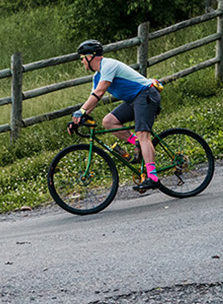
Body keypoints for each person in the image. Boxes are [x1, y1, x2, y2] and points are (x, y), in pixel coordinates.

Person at [67, 39, 164, 193]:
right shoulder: (97, 77)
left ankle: (152, 177)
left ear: (91, 57)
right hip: (133, 99)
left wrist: (81, 111)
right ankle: (136, 142)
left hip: (146, 94)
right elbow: (93, 101)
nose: (82, 63)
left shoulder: (108, 65)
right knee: (108, 121)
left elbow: (99, 92)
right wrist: (77, 120)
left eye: (82, 59)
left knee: (143, 134)